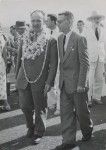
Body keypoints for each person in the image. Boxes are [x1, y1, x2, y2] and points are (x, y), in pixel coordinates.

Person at [16, 10, 58, 142]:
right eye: (33, 20)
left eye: (38, 20)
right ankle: (30, 126)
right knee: (24, 106)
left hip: (40, 79)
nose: (35, 23)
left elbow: (54, 64)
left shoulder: (50, 40)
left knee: (40, 107)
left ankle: (39, 131)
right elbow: (19, 59)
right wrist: (17, 76)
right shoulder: (24, 38)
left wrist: (49, 82)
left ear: (43, 21)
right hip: (24, 78)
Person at [54, 11, 93, 150]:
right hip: (64, 83)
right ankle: (68, 141)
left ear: (69, 22)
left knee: (82, 113)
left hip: (78, 85)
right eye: (57, 21)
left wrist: (82, 84)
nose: (57, 23)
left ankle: (87, 130)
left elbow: (85, 63)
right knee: (65, 113)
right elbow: (62, 62)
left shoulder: (79, 38)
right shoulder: (59, 38)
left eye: (60, 21)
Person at [87, 11, 106, 106]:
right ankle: (88, 99)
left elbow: (104, 44)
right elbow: (85, 44)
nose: (97, 20)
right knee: (89, 79)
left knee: (99, 78)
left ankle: (96, 97)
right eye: (95, 18)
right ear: (92, 20)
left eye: (98, 18)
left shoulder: (103, 30)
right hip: (91, 57)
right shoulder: (87, 30)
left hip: (101, 57)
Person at [46, 14, 60, 115]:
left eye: (47, 21)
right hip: (48, 63)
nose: (46, 22)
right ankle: (52, 102)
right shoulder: (46, 32)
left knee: (58, 84)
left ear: (54, 21)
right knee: (49, 82)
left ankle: (59, 107)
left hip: (58, 62)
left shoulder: (59, 33)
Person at [0, 26, 11, 111]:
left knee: (2, 81)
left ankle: (5, 103)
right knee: (2, 82)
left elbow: (4, 51)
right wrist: (6, 63)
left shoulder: (2, 36)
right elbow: (4, 52)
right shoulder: (2, 36)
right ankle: (5, 103)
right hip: (1, 62)